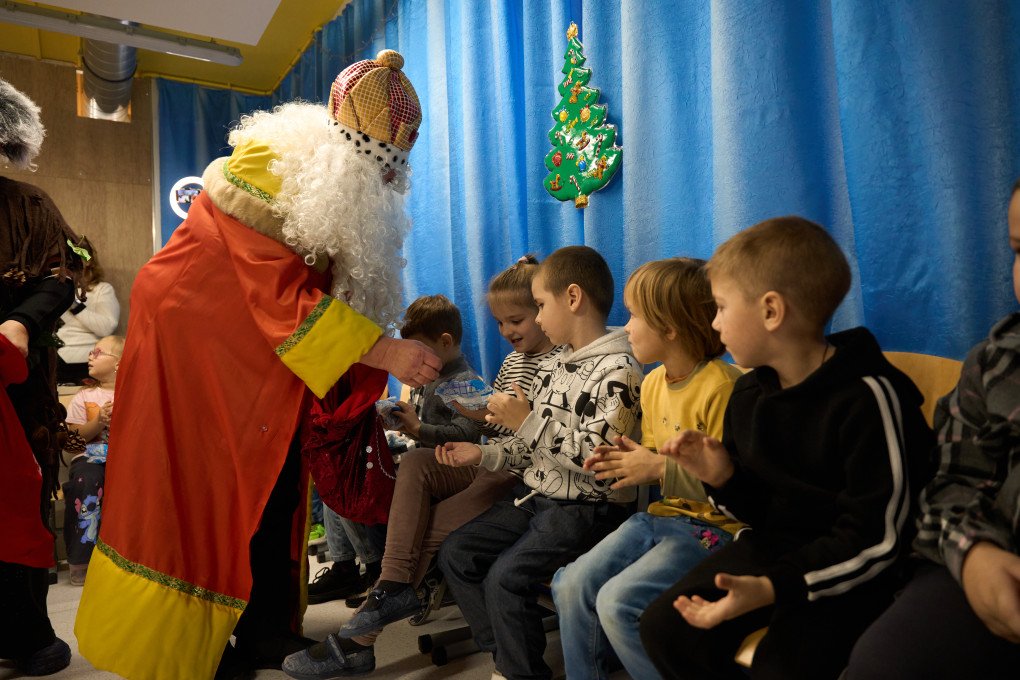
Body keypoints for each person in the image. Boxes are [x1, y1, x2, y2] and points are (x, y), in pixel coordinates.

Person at [74, 50, 442, 680]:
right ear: (352, 150)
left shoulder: (328, 185)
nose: (388, 184)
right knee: (199, 497)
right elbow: (280, 295)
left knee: (272, 485)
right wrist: (388, 351)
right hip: (193, 354)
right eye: (382, 168)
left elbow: (310, 299)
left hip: (259, 365)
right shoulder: (272, 173)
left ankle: (267, 627)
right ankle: (187, 645)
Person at [638, 216, 935, 680]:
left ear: (771, 311)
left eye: (719, 307)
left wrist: (775, 587)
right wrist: (722, 476)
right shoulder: (749, 394)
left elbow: (879, 537)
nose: (714, 324)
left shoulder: (870, 396)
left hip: (857, 570)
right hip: (777, 548)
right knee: (666, 627)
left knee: (784, 665)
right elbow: (762, 512)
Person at [282, 257, 562, 678]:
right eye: (500, 323)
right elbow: (487, 426)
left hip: (516, 474)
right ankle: (386, 597)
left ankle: (361, 639)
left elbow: (529, 442)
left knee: (428, 531)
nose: (505, 332)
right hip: (491, 462)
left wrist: (480, 429)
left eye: (516, 320)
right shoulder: (510, 364)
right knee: (413, 462)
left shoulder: (562, 366)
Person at [436, 245, 643, 680]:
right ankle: (509, 660)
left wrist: (527, 421)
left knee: (505, 580)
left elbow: (597, 461)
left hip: (587, 508)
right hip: (537, 496)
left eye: (541, 305)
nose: (539, 317)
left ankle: (516, 669)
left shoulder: (620, 369)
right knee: (457, 553)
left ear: (572, 299)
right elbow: (533, 449)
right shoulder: (558, 366)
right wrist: (486, 453)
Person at [843, 182, 1020, 678]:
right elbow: (951, 481)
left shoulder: (864, 392)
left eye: (723, 306)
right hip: (982, 564)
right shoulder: (997, 360)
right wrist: (975, 554)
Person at [552, 257, 743, 680]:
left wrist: (657, 468)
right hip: (660, 519)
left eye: (635, 315)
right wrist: (625, 463)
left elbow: (733, 489)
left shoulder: (723, 388)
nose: (627, 326)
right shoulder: (654, 382)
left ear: (670, 328)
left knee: (619, 603)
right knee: (569, 584)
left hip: (713, 530)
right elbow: (654, 458)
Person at [0, 76, 83, 677]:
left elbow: (63, 275)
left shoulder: (30, 205)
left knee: (22, 506)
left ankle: (27, 633)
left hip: (20, 388)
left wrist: (22, 322)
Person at [62, 334, 123, 586]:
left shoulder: (137, 392)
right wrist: (97, 422)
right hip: (89, 458)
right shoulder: (84, 397)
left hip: (126, 458)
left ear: (119, 362)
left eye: (97, 352)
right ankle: (81, 561)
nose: (90, 355)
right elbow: (71, 442)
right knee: (86, 482)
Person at [56, 242, 119, 384]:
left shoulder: (102, 289)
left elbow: (106, 327)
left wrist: (74, 304)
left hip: (88, 359)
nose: (71, 263)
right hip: (56, 357)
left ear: (88, 261)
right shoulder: (55, 288)